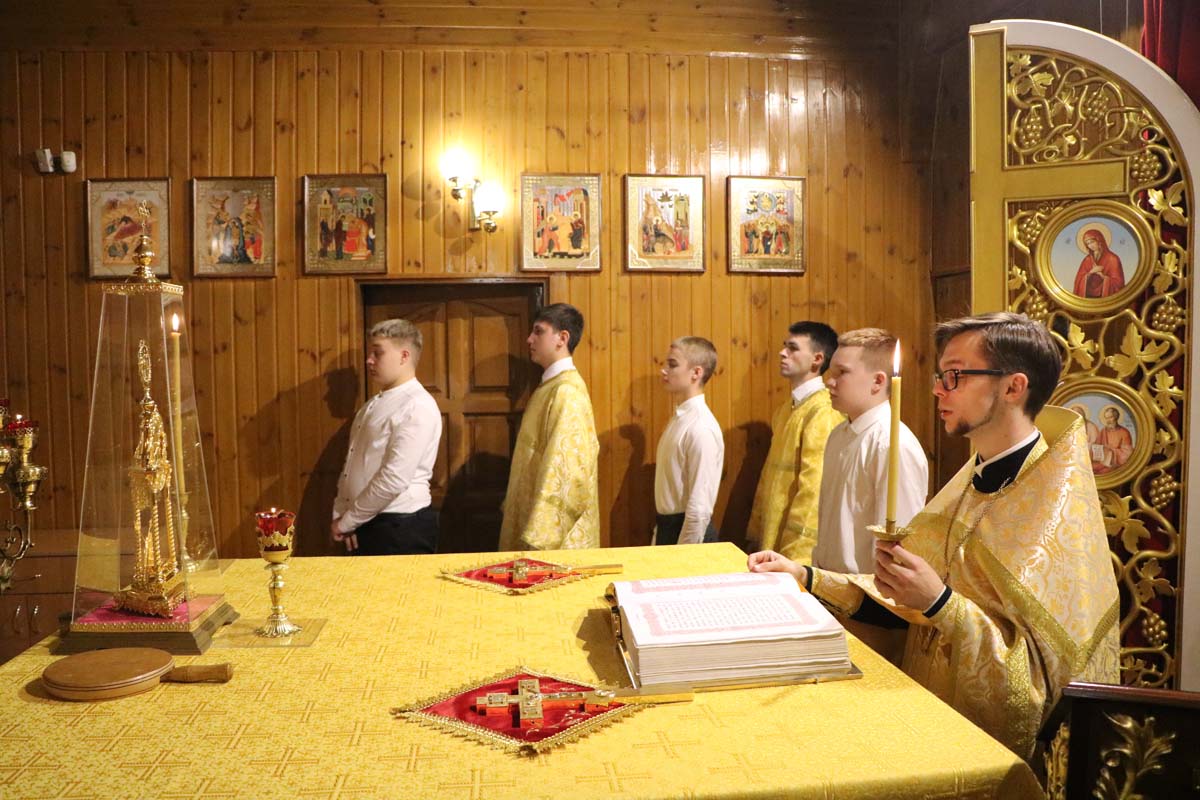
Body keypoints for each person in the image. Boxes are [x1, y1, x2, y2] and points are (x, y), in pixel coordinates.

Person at [748, 312, 1119, 760]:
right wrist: (807, 576)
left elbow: (1040, 689)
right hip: (927, 722)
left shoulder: (1054, 511)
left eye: (955, 376)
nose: (938, 390)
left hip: (991, 757)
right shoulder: (970, 481)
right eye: (940, 376)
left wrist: (940, 603)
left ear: (1013, 387)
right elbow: (910, 604)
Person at [812, 328, 928, 574]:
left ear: (878, 381)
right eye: (831, 372)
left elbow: (899, 546)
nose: (829, 381)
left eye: (842, 372)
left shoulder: (892, 445)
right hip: (827, 582)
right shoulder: (838, 434)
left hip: (866, 591)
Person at [331, 319, 443, 555]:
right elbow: (351, 465)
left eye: (377, 352)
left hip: (400, 527)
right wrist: (343, 514)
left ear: (404, 356)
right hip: (365, 523)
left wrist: (347, 520)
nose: (369, 360)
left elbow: (394, 478)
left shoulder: (417, 405)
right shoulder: (371, 405)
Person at [498, 303, 600, 551]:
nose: (529, 339)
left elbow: (568, 469)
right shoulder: (550, 387)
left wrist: (543, 534)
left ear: (562, 338)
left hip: (555, 543)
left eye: (539, 331)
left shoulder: (566, 392)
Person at [746, 321, 844, 562]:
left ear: (817, 359)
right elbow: (768, 476)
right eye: (784, 346)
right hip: (771, 541)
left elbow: (814, 489)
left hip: (796, 552)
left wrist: (796, 556)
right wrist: (755, 533)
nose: (782, 353)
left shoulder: (823, 412)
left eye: (792, 348)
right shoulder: (784, 410)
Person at [653, 336, 725, 545]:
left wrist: (684, 555)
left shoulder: (701, 427)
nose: (664, 370)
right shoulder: (680, 418)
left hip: (688, 537)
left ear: (696, 372)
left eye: (672, 364)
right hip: (669, 528)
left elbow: (700, 508)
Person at [1072, 228, 1125, 298]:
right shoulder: (1087, 260)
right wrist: (1091, 272)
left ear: (1099, 240)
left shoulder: (1113, 259)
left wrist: (1103, 277)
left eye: (1092, 242)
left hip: (1106, 297)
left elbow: (1119, 283)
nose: (1091, 245)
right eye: (1088, 244)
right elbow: (1078, 280)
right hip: (1088, 297)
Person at [1093, 405, 1133, 473]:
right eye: (1106, 418)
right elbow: (1096, 446)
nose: (1108, 421)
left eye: (1110, 417)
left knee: (1103, 472)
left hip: (1115, 464)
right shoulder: (1103, 431)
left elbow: (1127, 454)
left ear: (1116, 417)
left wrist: (1111, 451)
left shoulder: (1124, 432)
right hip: (1102, 461)